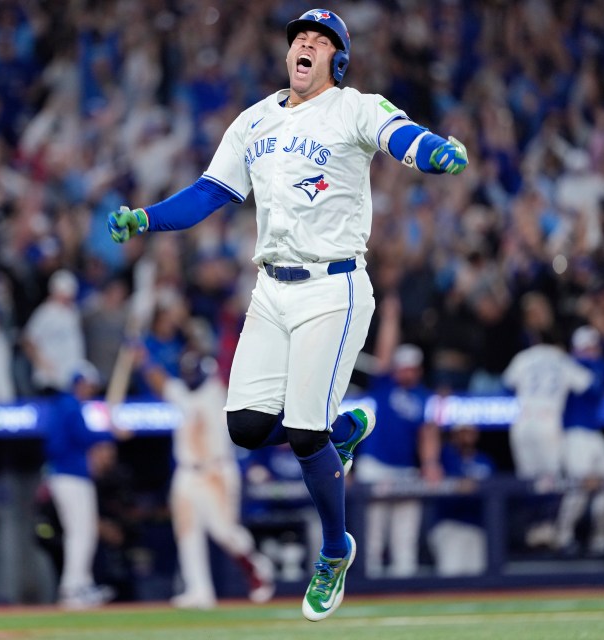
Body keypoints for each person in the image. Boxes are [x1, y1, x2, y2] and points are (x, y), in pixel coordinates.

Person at [107, 8, 468, 621]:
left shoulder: (354, 106)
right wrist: (147, 219)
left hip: (334, 285)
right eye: (300, 36)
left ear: (337, 59)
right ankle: (339, 434)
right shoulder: (255, 120)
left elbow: (402, 137)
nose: (306, 43)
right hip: (271, 288)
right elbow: (209, 193)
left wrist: (437, 151)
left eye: (320, 40)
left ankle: (334, 550)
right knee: (245, 427)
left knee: (304, 433)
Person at [138, 345, 275, 609]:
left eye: (193, 372)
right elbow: (162, 382)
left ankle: (257, 567)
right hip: (187, 472)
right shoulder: (183, 391)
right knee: (187, 534)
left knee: (223, 531)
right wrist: (144, 359)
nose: (189, 377)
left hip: (215, 470)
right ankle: (198, 591)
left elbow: (219, 377)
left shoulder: (216, 392)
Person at [356, 340, 441, 578]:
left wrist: (431, 463)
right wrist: (390, 317)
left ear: (419, 370)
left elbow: (428, 433)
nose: (407, 372)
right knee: (372, 535)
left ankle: (405, 588)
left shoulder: (423, 396)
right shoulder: (384, 384)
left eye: (411, 368)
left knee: (405, 537)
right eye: (403, 367)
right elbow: (382, 354)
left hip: (405, 469)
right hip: (375, 466)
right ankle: (368, 584)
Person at [502, 329, 593, 548]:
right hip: (547, 422)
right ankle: (547, 530)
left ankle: (531, 532)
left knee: (528, 481)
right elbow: (589, 384)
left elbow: (505, 385)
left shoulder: (524, 357)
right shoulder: (561, 359)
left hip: (522, 422)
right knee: (552, 481)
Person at [43, 360, 115, 608]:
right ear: (79, 383)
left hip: (67, 476)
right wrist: (110, 431)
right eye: (88, 385)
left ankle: (79, 585)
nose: (91, 390)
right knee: (80, 533)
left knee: (81, 532)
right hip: (70, 476)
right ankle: (74, 588)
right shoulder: (69, 405)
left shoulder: (66, 405)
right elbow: (82, 435)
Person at [555, 326, 604, 556]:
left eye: (594, 347)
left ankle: (601, 538)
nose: (591, 352)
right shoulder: (567, 365)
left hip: (593, 433)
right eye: (586, 348)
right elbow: (595, 386)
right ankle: (563, 537)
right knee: (580, 485)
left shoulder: (595, 365)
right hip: (573, 434)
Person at [427, 424, 494, 577]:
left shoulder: (485, 461)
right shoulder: (446, 456)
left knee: (479, 579)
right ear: (454, 434)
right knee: (450, 578)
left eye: (470, 431)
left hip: (477, 528)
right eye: (462, 432)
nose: (467, 436)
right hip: (450, 525)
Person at [22, 269, 85, 395]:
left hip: (70, 378)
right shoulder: (45, 312)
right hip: (50, 380)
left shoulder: (73, 312)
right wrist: (41, 363)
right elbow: (27, 340)